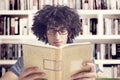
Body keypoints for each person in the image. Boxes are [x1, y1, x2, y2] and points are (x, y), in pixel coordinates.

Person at [0, 5, 105, 80]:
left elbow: (103, 77)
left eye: (62, 31)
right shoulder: (29, 58)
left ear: (69, 32)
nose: (57, 37)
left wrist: (94, 78)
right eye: (51, 30)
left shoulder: (82, 56)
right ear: (44, 32)